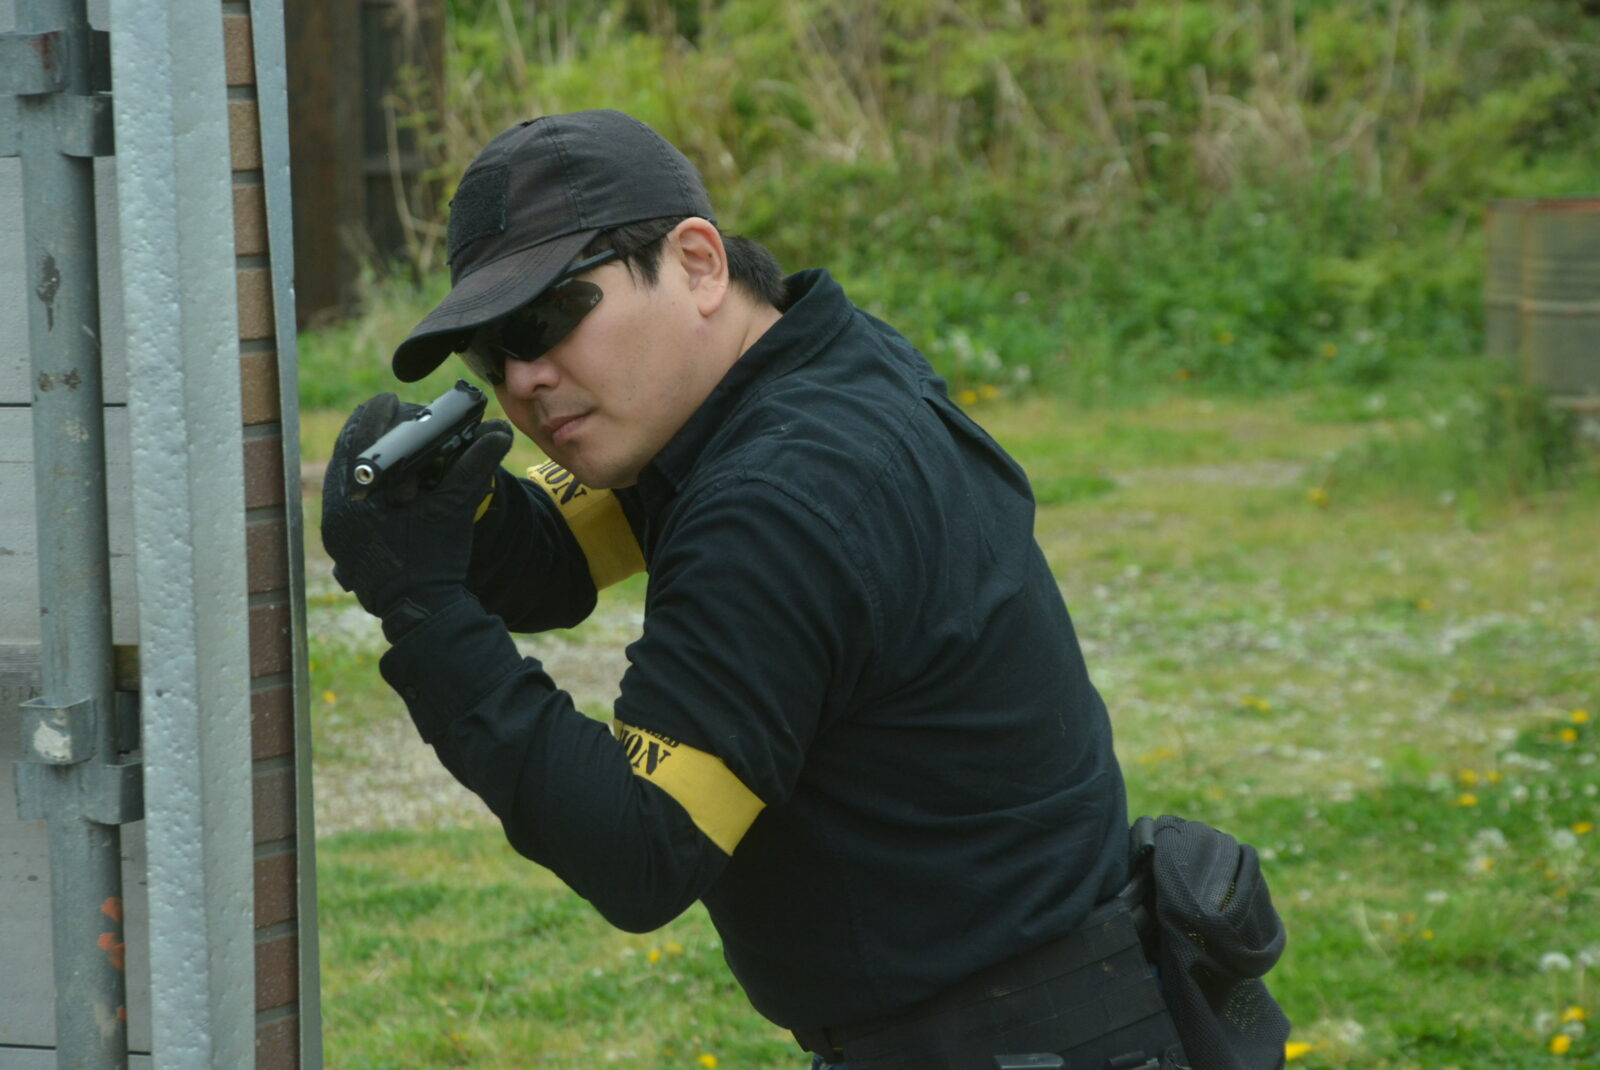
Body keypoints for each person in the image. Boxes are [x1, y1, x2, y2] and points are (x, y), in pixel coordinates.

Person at [320, 109, 1194, 1070]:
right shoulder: (806, 368)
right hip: (1061, 1008)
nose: (525, 377)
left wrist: (425, 610)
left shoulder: (776, 499)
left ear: (698, 264)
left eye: (548, 317)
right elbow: (555, 564)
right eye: (490, 355)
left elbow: (640, 850)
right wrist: (460, 510)